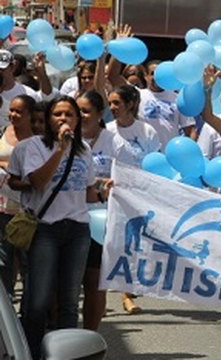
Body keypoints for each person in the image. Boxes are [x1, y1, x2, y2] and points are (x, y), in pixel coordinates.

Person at [15, 96, 97, 359]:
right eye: (58, 115)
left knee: (70, 301)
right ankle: (31, 352)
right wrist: (61, 149)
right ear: (49, 119)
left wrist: (107, 189)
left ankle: (67, 354)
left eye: (69, 115)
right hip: (46, 230)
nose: (63, 119)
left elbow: (88, 192)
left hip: (77, 230)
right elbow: (38, 182)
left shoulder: (84, 148)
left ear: (77, 120)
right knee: (38, 302)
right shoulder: (35, 147)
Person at [105, 84, 160, 313]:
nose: (112, 107)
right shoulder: (107, 131)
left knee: (139, 246)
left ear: (130, 104)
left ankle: (133, 286)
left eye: (117, 103)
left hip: (142, 196)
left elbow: (156, 164)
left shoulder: (147, 131)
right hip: (115, 196)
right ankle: (126, 295)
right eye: (110, 103)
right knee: (119, 244)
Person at [76, 89, 115, 331]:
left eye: (86, 111)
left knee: (94, 282)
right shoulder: (65, 140)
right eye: (76, 111)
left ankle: (90, 338)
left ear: (100, 114)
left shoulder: (114, 141)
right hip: (68, 217)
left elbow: (125, 179)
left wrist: (102, 185)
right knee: (64, 285)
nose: (80, 116)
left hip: (101, 222)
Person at [0, 95, 35, 295]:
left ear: (30, 115)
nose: (13, 115)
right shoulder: (3, 132)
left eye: (19, 111)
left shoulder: (37, 141)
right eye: (11, 110)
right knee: (3, 263)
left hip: (25, 211)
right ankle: (6, 313)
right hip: (2, 207)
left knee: (26, 263)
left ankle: (28, 315)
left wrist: (8, 166)